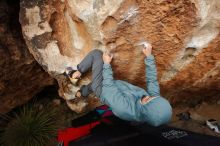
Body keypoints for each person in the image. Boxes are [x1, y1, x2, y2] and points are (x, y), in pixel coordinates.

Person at [69, 43, 172, 127]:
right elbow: (152, 81)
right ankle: (82, 93)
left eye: (149, 99)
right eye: (154, 96)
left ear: (146, 106)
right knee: (95, 83)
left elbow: (108, 87)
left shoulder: (124, 109)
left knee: (96, 54)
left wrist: (106, 64)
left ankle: (76, 73)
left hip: (104, 91)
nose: (150, 95)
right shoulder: (152, 103)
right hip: (115, 87)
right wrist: (149, 57)